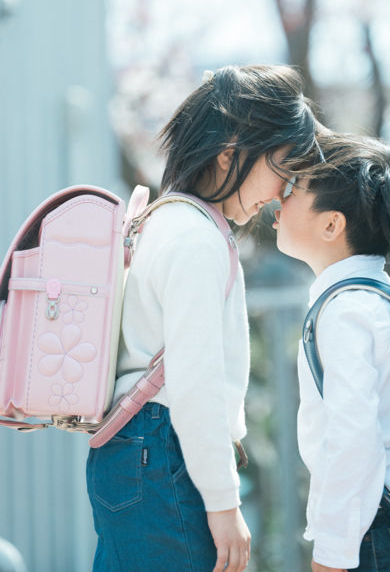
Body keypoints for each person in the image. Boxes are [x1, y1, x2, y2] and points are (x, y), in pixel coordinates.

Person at [86, 64, 320, 572]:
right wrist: (223, 503)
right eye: (283, 166)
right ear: (231, 151)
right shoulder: (197, 240)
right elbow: (197, 384)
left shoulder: (162, 220)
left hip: (132, 452)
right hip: (163, 451)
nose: (282, 192)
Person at [272, 133, 390, 572]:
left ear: (332, 225)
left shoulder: (344, 312)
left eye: (295, 189)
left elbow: (354, 439)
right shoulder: (387, 298)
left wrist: (332, 556)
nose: (279, 196)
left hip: (378, 532)